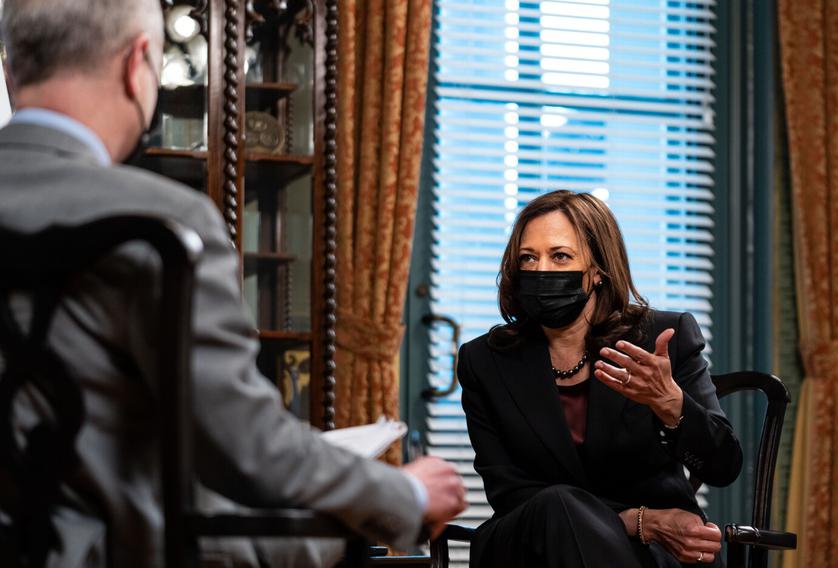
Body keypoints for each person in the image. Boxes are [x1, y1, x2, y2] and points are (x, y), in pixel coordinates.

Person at [0, 0, 465, 566]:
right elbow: (245, 449)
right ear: (137, 64)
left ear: (10, 71)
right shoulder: (166, 221)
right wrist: (405, 493)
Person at [457, 190, 744, 567]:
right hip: (531, 546)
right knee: (557, 503)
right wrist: (636, 521)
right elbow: (509, 490)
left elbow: (723, 467)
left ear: (598, 271)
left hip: (654, 553)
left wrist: (670, 405)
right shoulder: (485, 360)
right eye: (529, 258)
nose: (541, 270)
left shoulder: (664, 338)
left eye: (560, 256)